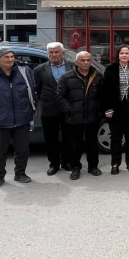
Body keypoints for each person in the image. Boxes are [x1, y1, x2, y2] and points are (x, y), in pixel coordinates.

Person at [0, 46, 38, 189]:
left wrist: (33, 107)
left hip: (22, 119)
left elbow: (33, 89)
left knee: (22, 149)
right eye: (6, 57)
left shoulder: (24, 71)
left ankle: (20, 174)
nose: (10, 60)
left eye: (12, 56)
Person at [56, 51, 104, 180]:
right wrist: (70, 110)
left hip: (92, 116)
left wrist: (99, 109)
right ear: (76, 62)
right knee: (75, 145)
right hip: (74, 117)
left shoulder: (97, 76)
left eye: (88, 60)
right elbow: (60, 96)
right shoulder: (67, 77)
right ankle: (75, 168)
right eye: (83, 60)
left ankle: (93, 166)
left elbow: (103, 95)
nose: (86, 62)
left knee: (92, 144)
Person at [102, 44, 129, 175]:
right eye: (122, 53)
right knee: (116, 138)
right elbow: (105, 91)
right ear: (118, 55)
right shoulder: (110, 69)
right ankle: (115, 163)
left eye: (127, 53)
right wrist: (107, 108)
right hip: (115, 107)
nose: (124, 55)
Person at [34, 42, 73, 175]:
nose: (54, 55)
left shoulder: (72, 66)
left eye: (56, 52)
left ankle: (66, 162)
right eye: (51, 52)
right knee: (51, 139)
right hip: (48, 109)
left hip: (68, 108)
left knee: (68, 137)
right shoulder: (39, 70)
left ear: (62, 53)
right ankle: (54, 164)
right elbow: (37, 89)